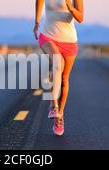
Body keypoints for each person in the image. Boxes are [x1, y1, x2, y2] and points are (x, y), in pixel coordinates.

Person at [34, 0, 84, 136]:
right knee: (57, 63)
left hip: (69, 42)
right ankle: (54, 105)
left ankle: (60, 116)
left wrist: (69, 7)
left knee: (64, 79)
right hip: (48, 36)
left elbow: (80, 18)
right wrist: (37, 22)